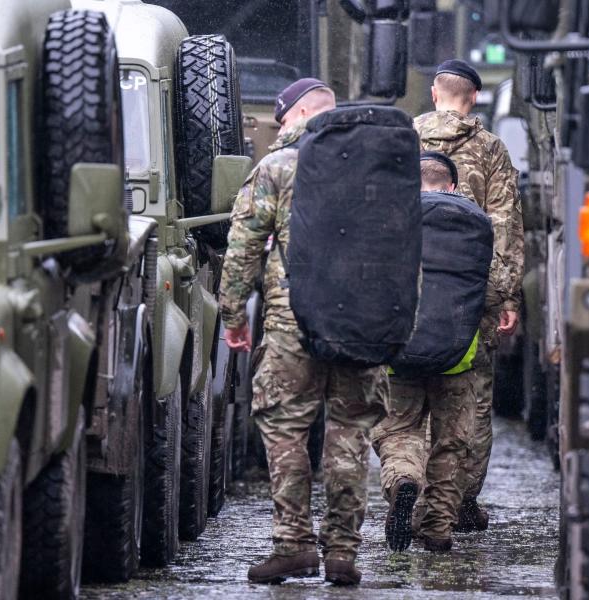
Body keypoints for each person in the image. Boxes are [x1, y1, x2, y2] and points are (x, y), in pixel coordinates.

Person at [219, 78, 386, 586]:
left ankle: (293, 544)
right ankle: (342, 553)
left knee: (285, 425)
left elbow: (244, 244)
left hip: (293, 319)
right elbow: (399, 248)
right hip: (360, 319)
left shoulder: (277, 166)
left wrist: (232, 314)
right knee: (350, 430)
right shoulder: (374, 169)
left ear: (294, 114)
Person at [414, 59, 525, 532]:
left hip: (409, 293)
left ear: (435, 93)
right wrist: (504, 297)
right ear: (474, 97)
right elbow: (505, 227)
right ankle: (458, 501)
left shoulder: (403, 140)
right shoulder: (491, 149)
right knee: (472, 402)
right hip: (469, 296)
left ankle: (413, 489)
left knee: (408, 394)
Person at [372, 152, 479, 553]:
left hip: (397, 351)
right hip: (457, 354)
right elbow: (493, 284)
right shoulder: (473, 220)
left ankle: (403, 480)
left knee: (398, 430)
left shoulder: (387, 218)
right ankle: (436, 529)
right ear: (451, 185)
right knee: (452, 441)